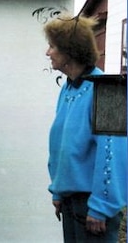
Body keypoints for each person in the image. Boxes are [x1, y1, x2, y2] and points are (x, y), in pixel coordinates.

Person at [43, 15, 126, 242]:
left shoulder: (107, 92)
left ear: (69, 51)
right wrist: (58, 191)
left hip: (93, 207)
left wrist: (102, 206)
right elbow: (63, 144)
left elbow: (113, 154)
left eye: (52, 46)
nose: (47, 52)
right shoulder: (68, 89)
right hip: (71, 202)